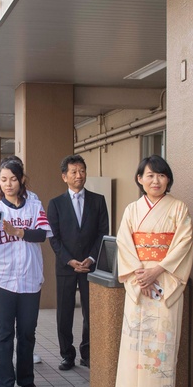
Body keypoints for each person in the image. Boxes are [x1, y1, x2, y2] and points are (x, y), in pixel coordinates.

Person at [114, 156, 193, 387]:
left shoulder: (179, 208)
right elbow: (124, 244)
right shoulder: (132, 210)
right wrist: (141, 277)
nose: (155, 180)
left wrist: (156, 272)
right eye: (149, 176)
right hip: (139, 283)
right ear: (139, 179)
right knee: (137, 344)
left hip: (164, 281)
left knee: (162, 344)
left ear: (168, 179)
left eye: (161, 175)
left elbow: (183, 244)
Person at [0, 158, 52, 387]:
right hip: (2, 277)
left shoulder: (34, 206)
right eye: (3, 180)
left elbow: (41, 236)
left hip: (30, 277)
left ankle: (26, 379)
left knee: (27, 331)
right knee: (4, 331)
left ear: (21, 181)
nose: (8, 184)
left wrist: (18, 231)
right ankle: (5, 382)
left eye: (13, 179)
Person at [48, 154, 110, 371]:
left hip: (90, 265)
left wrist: (92, 258)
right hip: (66, 266)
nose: (79, 175)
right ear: (64, 176)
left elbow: (103, 232)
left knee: (90, 312)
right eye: (73, 172)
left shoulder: (98, 200)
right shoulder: (55, 204)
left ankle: (88, 353)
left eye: (82, 171)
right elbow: (53, 237)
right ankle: (67, 354)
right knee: (64, 313)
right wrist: (69, 260)